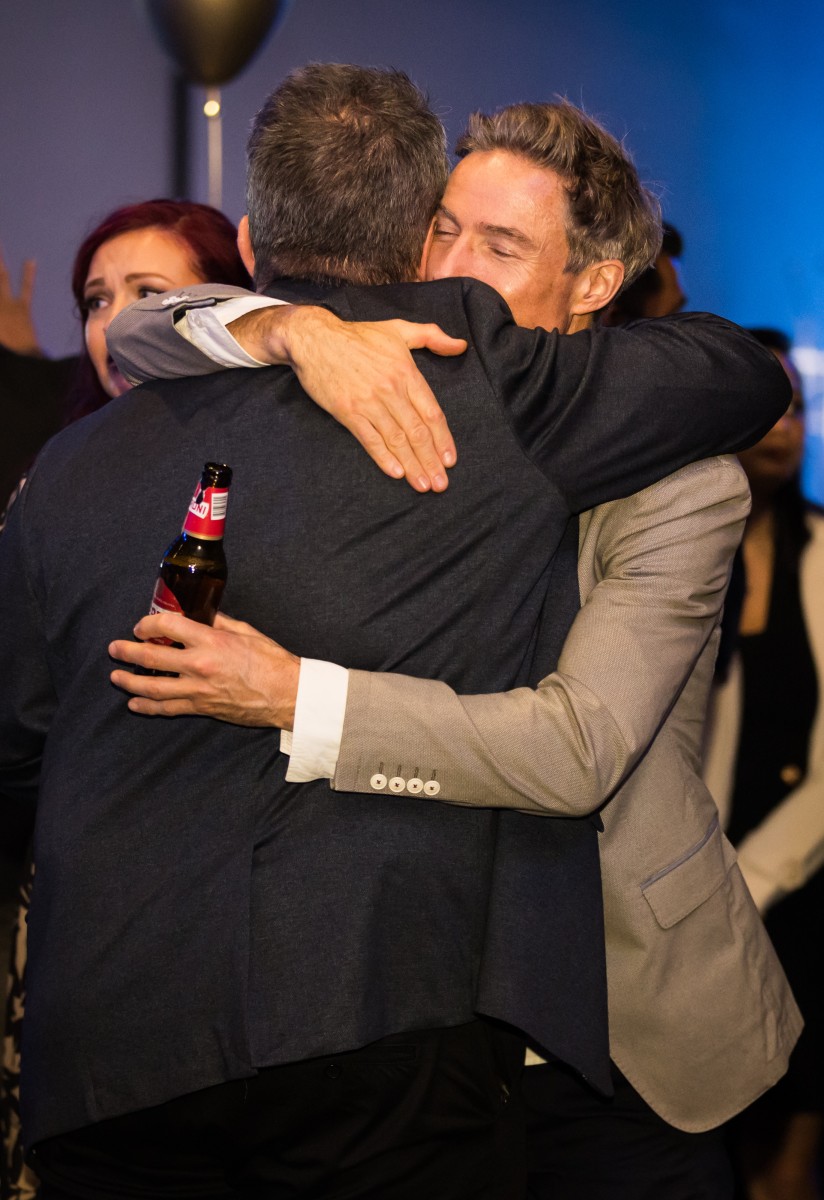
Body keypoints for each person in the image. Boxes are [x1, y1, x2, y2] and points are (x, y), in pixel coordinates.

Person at [0, 66, 790, 1198]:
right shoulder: (344, 388)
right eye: (440, 229)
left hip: (610, 1018)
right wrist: (289, 329)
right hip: (391, 1012)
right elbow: (142, 328)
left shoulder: (646, 458)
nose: (454, 268)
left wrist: (297, 697)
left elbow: (578, 746)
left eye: (499, 246)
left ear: (593, 285)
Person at [0, 198, 250, 1200]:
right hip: (67, 904)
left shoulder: (251, 472)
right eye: (96, 300)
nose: (115, 325)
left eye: (150, 294)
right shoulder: (54, 476)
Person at [704, 329, 824, 1200]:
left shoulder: (821, 547)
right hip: (690, 860)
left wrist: (756, 876)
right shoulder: (674, 544)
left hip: (804, 868)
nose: (784, 427)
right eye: (766, 408)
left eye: (798, 409)